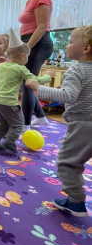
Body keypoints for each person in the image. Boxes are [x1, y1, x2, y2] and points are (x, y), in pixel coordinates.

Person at [25, 25, 92, 217]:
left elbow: (67, 96)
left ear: (86, 48)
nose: (67, 46)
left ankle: (76, 201)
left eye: (70, 42)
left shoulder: (77, 70)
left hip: (82, 125)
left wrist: (38, 87)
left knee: (68, 163)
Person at [0, 29, 52, 155]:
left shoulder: (0, 66)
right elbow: (35, 80)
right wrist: (47, 77)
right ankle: (9, 142)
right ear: (23, 56)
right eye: (27, 56)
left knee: (1, 124)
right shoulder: (21, 68)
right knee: (18, 124)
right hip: (9, 103)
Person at [19, 0, 53, 130]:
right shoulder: (31, 0)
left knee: (27, 83)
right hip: (29, 42)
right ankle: (40, 117)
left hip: (38, 43)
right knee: (26, 81)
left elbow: (41, 27)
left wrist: (27, 47)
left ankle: (25, 124)